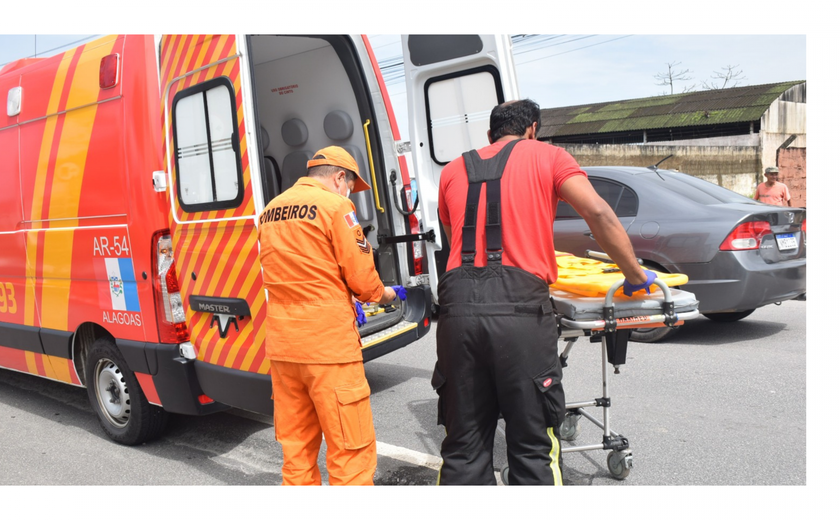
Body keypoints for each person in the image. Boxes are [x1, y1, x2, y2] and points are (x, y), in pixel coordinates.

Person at [433, 99, 654, 485]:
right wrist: (634, 275)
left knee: (463, 448)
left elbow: (454, 240)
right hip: (520, 313)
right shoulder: (549, 156)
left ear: (490, 135)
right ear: (533, 129)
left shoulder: (452, 170)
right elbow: (598, 213)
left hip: (457, 314)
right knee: (532, 446)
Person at [257, 146, 404, 485]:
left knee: (296, 455)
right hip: (328, 348)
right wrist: (387, 294)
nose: (349, 192)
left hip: (283, 348)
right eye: (350, 185)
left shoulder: (270, 211)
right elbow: (363, 280)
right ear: (339, 177)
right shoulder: (337, 207)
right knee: (350, 454)